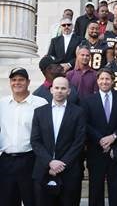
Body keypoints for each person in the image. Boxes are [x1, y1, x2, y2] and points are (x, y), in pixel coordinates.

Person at [31, 76, 86, 206]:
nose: (59, 91)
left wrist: (62, 163)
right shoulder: (39, 112)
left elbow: (79, 141)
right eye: (56, 88)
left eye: (63, 88)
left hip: (69, 172)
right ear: (51, 90)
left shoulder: (78, 112)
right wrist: (50, 162)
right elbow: (35, 141)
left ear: (69, 91)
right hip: (44, 170)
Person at [0, 68, 48, 206]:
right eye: (14, 80)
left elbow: (45, 135)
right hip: (6, 162)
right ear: (10, 82)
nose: (17, 83)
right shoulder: (2, 104)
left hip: (30, 160)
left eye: (21, 79)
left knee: (31, 200)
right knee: (6, 201)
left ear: (28, 82)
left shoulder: (40, 103)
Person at [81, 68, 117, 206]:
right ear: (97, 81)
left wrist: (114, 136)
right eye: (101, 79)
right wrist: (100, 139)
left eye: (107, 79)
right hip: (96, 151)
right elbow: (85, 124)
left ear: (112, 81)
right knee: (95, 190)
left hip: (115, 151)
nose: (104, 82)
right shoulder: (88, 100)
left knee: (115, 189)